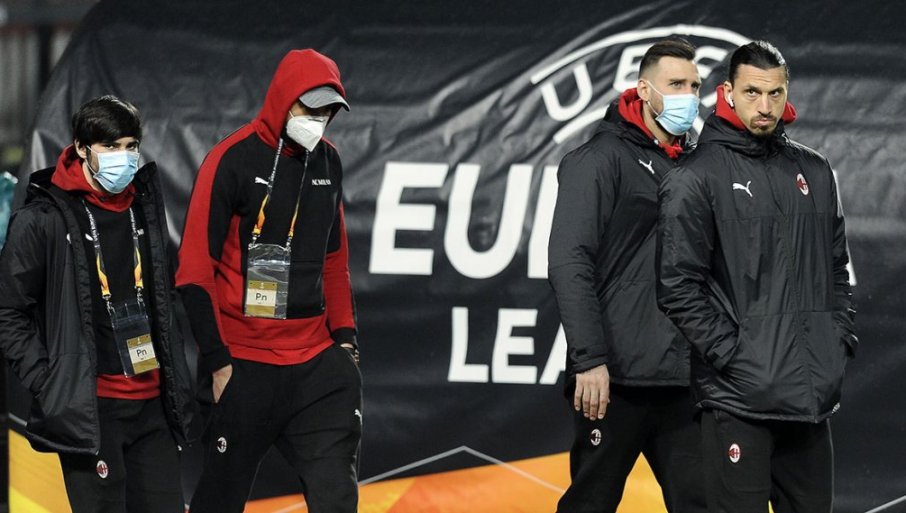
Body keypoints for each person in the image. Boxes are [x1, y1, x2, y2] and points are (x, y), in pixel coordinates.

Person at [656, 41, 856, 513]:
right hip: (739, 399)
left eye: (774, 93)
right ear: (727, 92)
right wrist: (734, 355)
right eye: (752, 92)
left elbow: (836, 267)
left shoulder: (814, 170)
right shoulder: (695, 177)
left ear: (786, 92)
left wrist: (837, 337)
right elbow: (677, 285)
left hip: (810, 398)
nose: (764, 106)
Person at [177, 48, 360, 512]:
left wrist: (345, 341)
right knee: (219, 500)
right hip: (243, 363)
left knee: (337, 499)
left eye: (327, 112)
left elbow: (334, 261)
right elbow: (194, 272)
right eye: (309, 109)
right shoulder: (231, 159)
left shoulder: (329, 161)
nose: (317, 121)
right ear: (282, 98)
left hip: (316, 364)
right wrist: (218, 363)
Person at [0, 95, 194, 512]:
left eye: (130, 146)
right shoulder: (44, 218)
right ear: (81, 147)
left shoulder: (145, 207)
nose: (123, 157)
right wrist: (49, 380)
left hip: (152, 404)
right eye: (109, 146)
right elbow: (8, 311)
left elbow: (164, 296)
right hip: (92, 411)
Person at [548, 39, 707, 513]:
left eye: (695, 85)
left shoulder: (696, 163)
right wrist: (589, 359)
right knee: (591, 503)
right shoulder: (599, 159)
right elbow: (569, 261)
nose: (688, 96)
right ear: (644, 89)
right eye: (675, 84)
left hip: (684, 377)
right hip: (614, 377)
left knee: (702, 503)